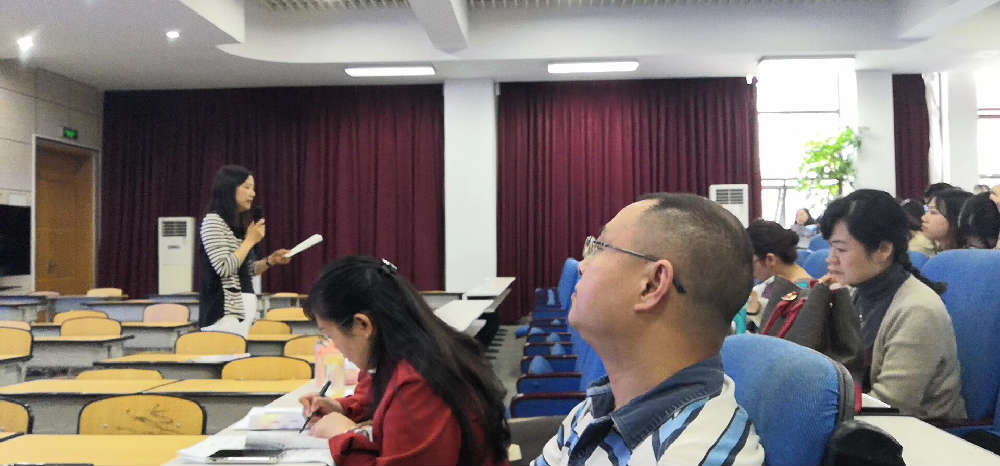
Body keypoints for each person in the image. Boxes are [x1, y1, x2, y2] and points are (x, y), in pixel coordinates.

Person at [535, 193, 764, 466]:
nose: (582, 266)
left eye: (599, 247)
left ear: (652, 285)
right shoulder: (605, 402)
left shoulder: (692, 456)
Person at [297, 256, 509, 465]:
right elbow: (374, 396)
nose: (334, 346)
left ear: (363, 325)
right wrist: (341, 408)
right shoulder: (407, 350)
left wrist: (345, 436)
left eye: (330, 335)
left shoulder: (417, 383)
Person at [821, 189, 966, 421]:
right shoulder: (854, 293)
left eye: (841, 249)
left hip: (922, 433)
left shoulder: (917, 310)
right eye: (830, 247)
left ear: (884, 250)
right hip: (863, 421)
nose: (831, 258)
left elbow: (889, 407)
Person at [198, 165, 290, 337]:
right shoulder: (213, 221)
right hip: (223, 311)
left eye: (253, 189)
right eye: (247, 187)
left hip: (242, 306)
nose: (252, 194)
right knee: (225, 353)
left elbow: (245, 269)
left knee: (239, 352)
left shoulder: (235, 223)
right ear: (229, 188)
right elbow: (224, 268)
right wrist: (250, 240)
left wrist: (270, 260)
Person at [745, 220, 813, 326]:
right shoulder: (774, 283)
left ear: (770, 259)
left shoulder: (801, 295)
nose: (747, 269)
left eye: (749, 262)